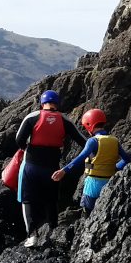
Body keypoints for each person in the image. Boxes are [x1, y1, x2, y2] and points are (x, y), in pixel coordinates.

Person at [13, 89, 87, 247]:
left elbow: (19, 139)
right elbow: (83, 142)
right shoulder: (64, 120)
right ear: (58, 104)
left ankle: (32, 236)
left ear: (42, 103)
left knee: (27, 200)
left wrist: (28, 149)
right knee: (51, 201)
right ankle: (53, 231)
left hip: (30, 166)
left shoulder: (32, 117)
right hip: (52, 169)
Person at [52, 109, 131, 214]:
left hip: (93, 184)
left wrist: (64, 170)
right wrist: (115, 167)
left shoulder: (93, 141)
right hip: (110, 182)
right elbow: (126, 159)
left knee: (87, 212)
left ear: (90, 125)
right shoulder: (114, 140)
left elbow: (81, 157)